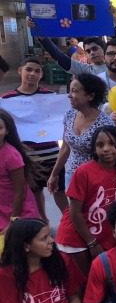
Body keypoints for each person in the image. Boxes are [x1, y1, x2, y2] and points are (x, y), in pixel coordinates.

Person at [1, 57, 67, 218]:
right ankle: (42, 224)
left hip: (52, 154)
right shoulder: (6, 100)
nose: (32, 74)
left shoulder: (51, 96)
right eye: (28, 69)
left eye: (37, 71)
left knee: (59, 191)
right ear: (20, 71)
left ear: (41, 74)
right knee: (35, 193)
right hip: (28, 156)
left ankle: (69, 224)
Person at [55, 126, 116, 276]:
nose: (106, 149)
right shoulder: (84, 172)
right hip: (76, 239)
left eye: (112, 144)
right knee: (85, 282)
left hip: (99, 237)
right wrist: (91, 242)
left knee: (101, 281)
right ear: (94, 149)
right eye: (100, 145)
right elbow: (75, 212)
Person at [49, 74, 113, 190]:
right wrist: (54, 174)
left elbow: (110, 158)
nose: (69, 95)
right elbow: (65, 148)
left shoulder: (105, 124)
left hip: (96, 181)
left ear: (90, 96)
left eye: (74, 91)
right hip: (72, 177)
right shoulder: (69, 115)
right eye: (70, 90)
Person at [0, 110, 39, 232]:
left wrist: (13, 221)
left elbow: (19, 192)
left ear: (7, 131)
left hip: (19, 214)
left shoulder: (12, 156)